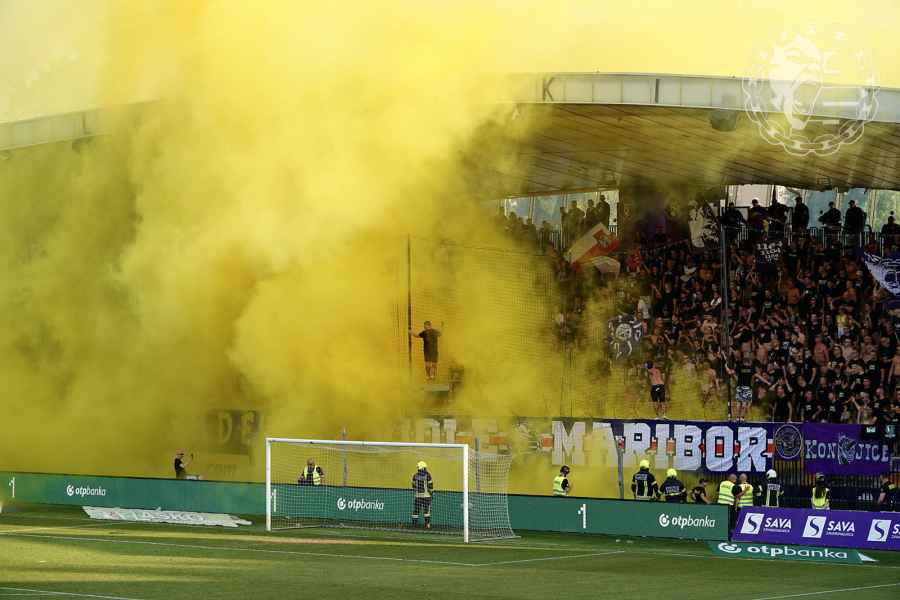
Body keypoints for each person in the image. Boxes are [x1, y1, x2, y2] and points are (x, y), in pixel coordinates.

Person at [411, 461, 434, 529]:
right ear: (423, 468)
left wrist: (416, 491)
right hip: (426, 496)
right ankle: (427, 525)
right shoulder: (428, 475)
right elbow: (430, 485)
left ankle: (414, 525)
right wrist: (432, 493)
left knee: (416, 511)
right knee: (426, 511)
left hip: (418, 496)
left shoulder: (415, 475)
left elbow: (413, 485)